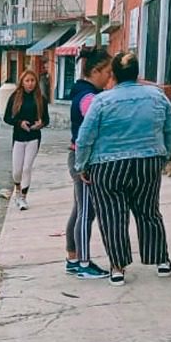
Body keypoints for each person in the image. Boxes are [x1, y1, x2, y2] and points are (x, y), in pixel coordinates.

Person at [74, 51, 171, 287]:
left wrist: (81, 164)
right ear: (137, 72)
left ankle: (117, 268)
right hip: (147, 162)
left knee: (112, 215)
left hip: (107, 165)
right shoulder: (156, 96)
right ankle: (161, 261)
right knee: (148, 211)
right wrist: (165, 154)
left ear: (114, 74)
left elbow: (85, 137)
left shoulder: (102, 101)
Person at [65, 46, 113, 278]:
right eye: (107, 73)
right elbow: (93, 128)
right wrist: (84, 164)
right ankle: (84, 264)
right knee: (86, 213)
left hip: (79, 158)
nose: (109, 78)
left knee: (79, 210)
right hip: (84, 161)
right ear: (95, 71)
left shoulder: (81, 93)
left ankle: (72, 258)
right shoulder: (89, 98)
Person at [2, 68, 48, 210]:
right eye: (27, 81)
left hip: (33, 137)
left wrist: (40, 124)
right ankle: (17, 189)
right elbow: (7, 118)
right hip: (19, 137)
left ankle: (23, 197)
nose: (30, 84)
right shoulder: (15, 97)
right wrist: (19, 123)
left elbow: (46, 119)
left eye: (32, 80)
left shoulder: (41, 99)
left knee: (27, 168)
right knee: (17, 170)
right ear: (22, 82)